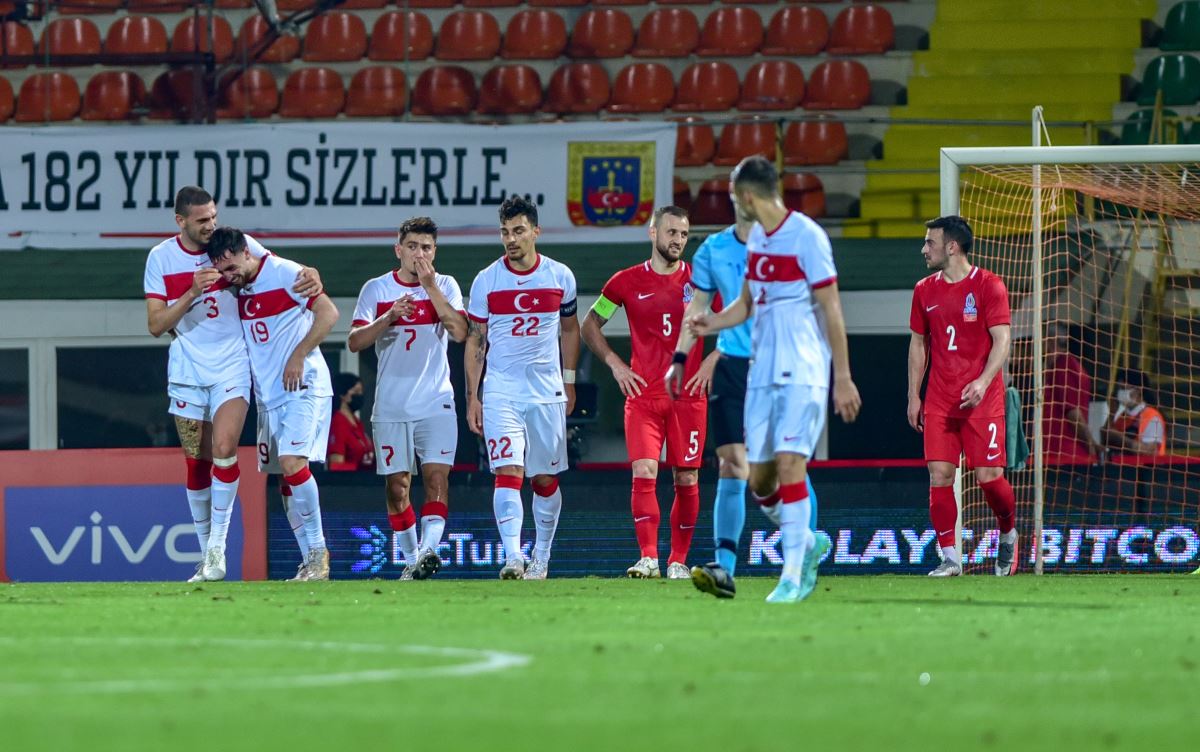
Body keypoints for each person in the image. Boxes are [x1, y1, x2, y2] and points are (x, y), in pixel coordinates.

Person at [687, 156, 861, 603]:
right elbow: (746, 304)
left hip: (803, 367)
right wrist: (712, 322)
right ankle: (805, 540)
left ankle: (791, 575)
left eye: (732, 196)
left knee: (790, 464)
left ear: (746, 197)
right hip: (760, 370)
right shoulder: (759, 239)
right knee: (760, 482)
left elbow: (832, 309)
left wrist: (842, 377)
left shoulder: (807, 237)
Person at [143, 186, 321, 583]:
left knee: (225, 450)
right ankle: (206, 554)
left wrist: (310, 273)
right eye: (202, 220)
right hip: (187, 369)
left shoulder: (231, 245)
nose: (210, 226)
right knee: (196, 464)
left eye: (213, 217)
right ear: (181, 221)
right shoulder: (160, 258)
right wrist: (192, 290)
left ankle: (217, 550)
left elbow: (276, 268)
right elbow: (156, 325)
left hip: (233, 366)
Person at [667, 217, 824, 600]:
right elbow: (701, 309)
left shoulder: (789, 242)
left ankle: (801, 553)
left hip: (780, 364)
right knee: (731, 465)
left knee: (781, 467)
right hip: (735, 366)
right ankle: (726, 568)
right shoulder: (713, 250)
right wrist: (681, 357)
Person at [581, 206, 716, 579]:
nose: (677, 241)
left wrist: (712, 362)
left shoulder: (702, 283)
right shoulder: (625, 282)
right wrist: (615, 364)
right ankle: (648, 557)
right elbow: (589, 324)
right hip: (643, 395)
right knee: (644, 470)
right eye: (671, 232)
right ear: (652, 233)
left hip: (688, 396)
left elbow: (739, 325)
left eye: (684, 235)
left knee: (686, 478)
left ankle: (678, 561)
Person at [206, 226, 340, 582]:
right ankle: (308, 562)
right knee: (284, 480)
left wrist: (299, 353)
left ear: (246, 252)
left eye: (232, 268)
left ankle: (318, 552)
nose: (229, 277)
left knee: (292, 462)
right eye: (223, 272)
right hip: (270, 396)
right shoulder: (240, 285)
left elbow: (329, 313)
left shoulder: (284, 272)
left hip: (303, 385)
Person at [465, 195, 580, 580]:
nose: (511, 239)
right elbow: (476, 339)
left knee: (545, 479)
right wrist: (473, 396)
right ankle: (513, 557)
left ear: (535, 231)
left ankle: (541, 557)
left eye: (518, 231)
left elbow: (569, 329)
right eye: (504, 232)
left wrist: (570, 381)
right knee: (508, 472)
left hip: (546, 391)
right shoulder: (486, 280)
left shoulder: (560, 276)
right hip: (501, 391)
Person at [348, 216, 467, 581]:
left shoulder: (445, 285)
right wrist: (389, 316)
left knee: (436, 480)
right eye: (412, 246)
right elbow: (354, 342)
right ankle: (412, 559)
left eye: (426, 248)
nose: (419, 254)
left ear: (435, 252)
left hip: (436, 402)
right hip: (391, 405)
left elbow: (461, 332)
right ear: (398, 249)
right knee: (397, 486)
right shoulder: (377, 288)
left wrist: (431, 289)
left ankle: (429, 551)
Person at [908, 215, 1018, 578]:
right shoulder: (924, 289)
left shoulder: (989, 286)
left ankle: (1007, 532)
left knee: (989, 477)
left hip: (981, 399)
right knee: (939, 475)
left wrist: (985, 382)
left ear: (951, 247)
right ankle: (951, 558)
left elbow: (1002, 341)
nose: (924, 249)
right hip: (940, 399)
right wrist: (914, 395)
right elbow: (919, 344)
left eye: (930, 242)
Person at [1043, 324, 1101, 463]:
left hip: (1063, 455)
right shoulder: (1066, 366)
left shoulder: (1063, 366)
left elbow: (1073, 413)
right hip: (1062, 453)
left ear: (1050, 341)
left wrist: (1091, 447)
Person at [1102, 370, 1167, 457]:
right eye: (1119, 389)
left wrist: (1120, 438)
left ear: (1138, 390)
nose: (1120, 393)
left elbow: (1149, 451)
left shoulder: (1152, 416)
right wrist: (1111, 413)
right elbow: (1106, 438)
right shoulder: (1121, 417)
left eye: (1124, 389)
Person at [327, 373, 374, 472]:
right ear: (342, 395)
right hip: (349, 484)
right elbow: (335, 465)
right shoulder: (338, 423)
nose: (360, 396)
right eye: (356, 392)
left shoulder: (357, 423)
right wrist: (359, 468)